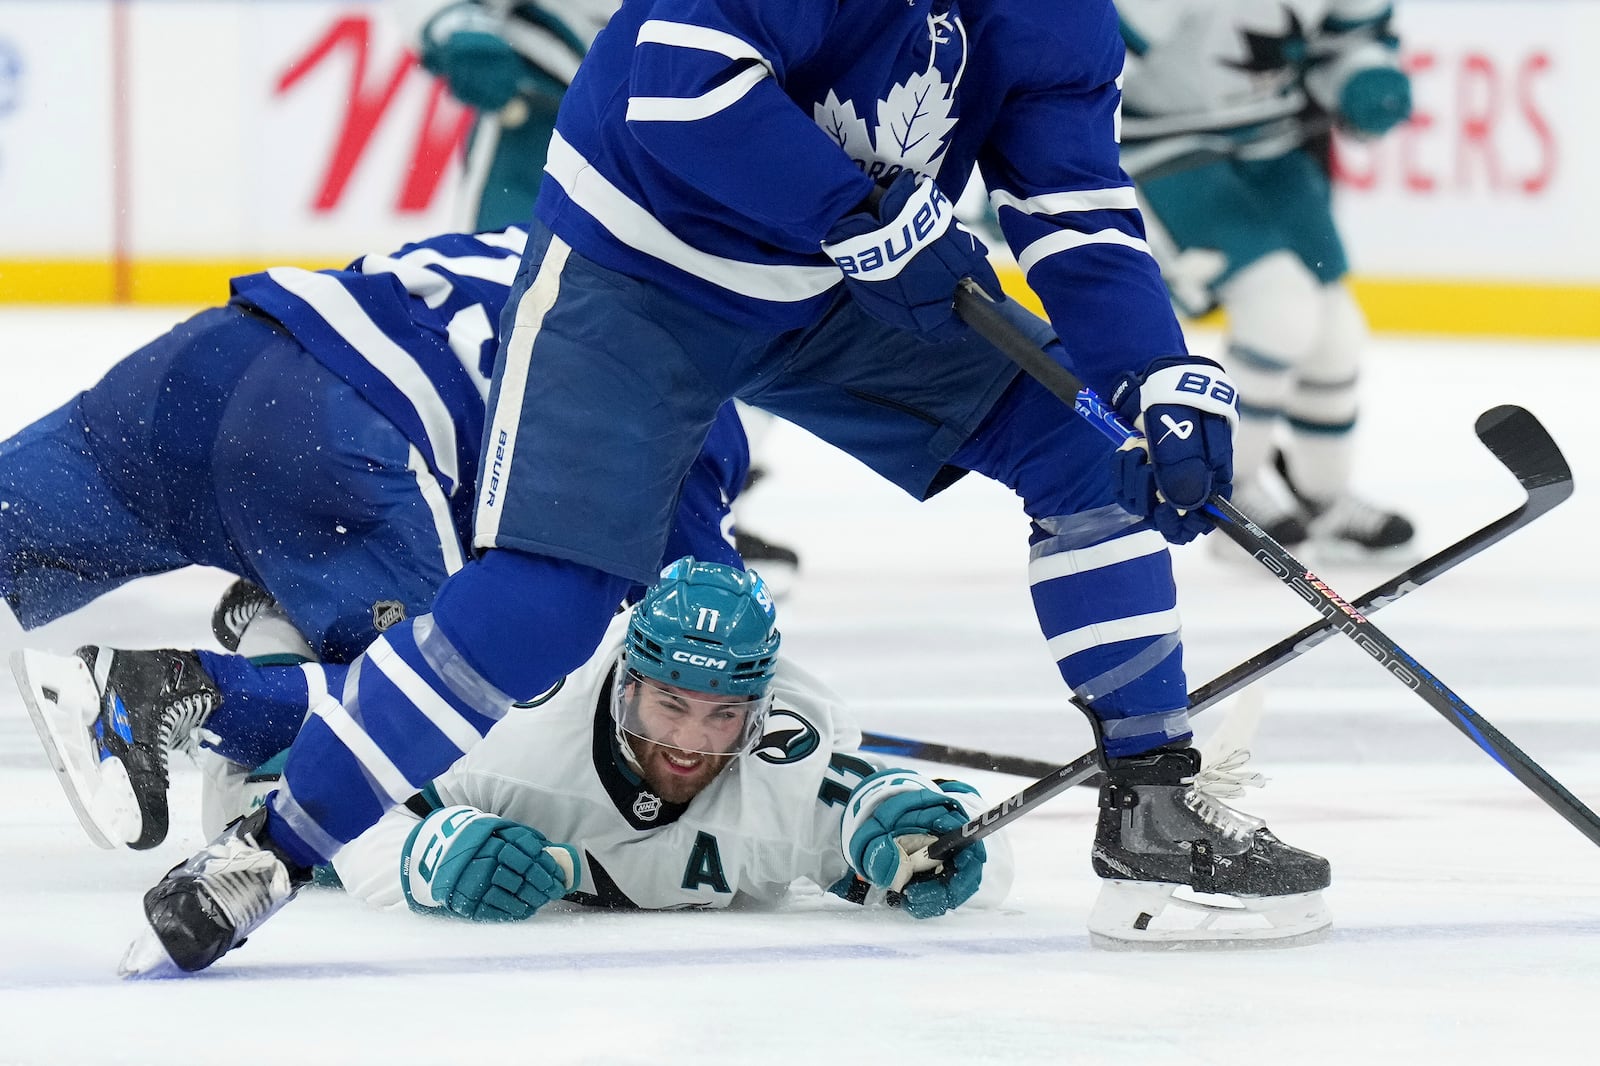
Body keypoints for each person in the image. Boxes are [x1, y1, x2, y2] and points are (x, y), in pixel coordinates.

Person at [125, 0, 1333, 975]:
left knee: (1092, 456)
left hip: (835, 289)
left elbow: (1071, 203)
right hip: (638, 273)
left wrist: (1154, 371)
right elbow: (679, 86)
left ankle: (1155, 808)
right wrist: (853, 213)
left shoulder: (1063, 17)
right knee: (543, 604)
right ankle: (271, 850)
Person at [2, 223, 748, 851]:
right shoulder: (686, 386)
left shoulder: (555, 236)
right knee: (454, 698)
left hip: (207, 365)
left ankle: (283, 604)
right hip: (335, 445)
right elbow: (700, 623)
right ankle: (173, 689)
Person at [71, 558, 1005, 939]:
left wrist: (933, 835)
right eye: (668, 705)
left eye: (722, 716)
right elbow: (348, 817)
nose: (687, 743)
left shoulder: (791, 769)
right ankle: (269, 629)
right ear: (624, 682)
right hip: (341, 758)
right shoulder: (519, 729)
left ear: (759, 714)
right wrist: (423, 854)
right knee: (270, 778)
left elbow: (957, 860)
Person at [397, 0, 802, 586]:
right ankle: (490, 517)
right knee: (512, 312)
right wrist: (453, 23)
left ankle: (691, 512)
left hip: (701, 100)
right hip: (548, 118)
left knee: (727, 309)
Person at [1115, 0, 1416, 558]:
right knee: (1277, 309)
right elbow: (1089, 62)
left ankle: (1325, 501)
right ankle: (1229, 498)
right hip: (1167, 150)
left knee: (1335, 332)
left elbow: (1345, 44)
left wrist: (1362, 78)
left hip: (1273, 146)